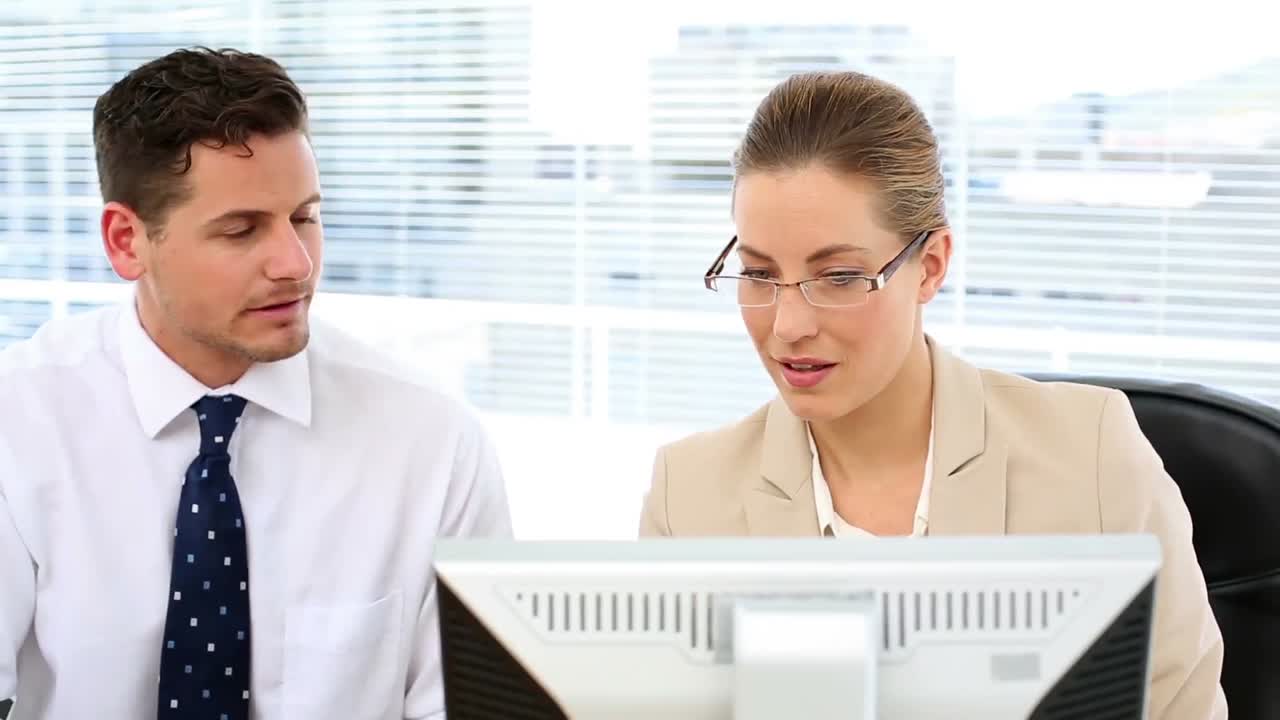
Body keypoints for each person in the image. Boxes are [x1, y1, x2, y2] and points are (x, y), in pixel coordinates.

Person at [637, 71, 1226, 719]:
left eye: (838, 276)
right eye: (758, 273)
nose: (789, 326)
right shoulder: (688, 494)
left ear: (932, 265)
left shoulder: (1089, 456)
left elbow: (1182, 707)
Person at [0, 47, 511, 719]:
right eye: (242, 231)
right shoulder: (21, 419)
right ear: (127, 241)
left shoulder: (434, 445)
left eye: (305, 217)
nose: (295, 264)